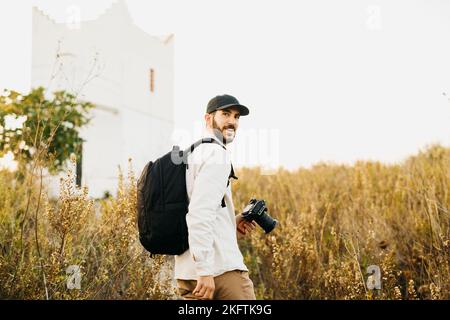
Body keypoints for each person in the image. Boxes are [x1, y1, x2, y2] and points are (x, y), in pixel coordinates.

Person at [175, 94, 257, 300]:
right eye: (225, 114)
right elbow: (198, 214)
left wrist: (231, 224)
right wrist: (204, 270)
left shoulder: (192, 154)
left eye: (237, 117)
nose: (232, 121)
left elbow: (197, 209)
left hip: (187, 273)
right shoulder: (216, 155)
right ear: (208, 119)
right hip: (219, 272)